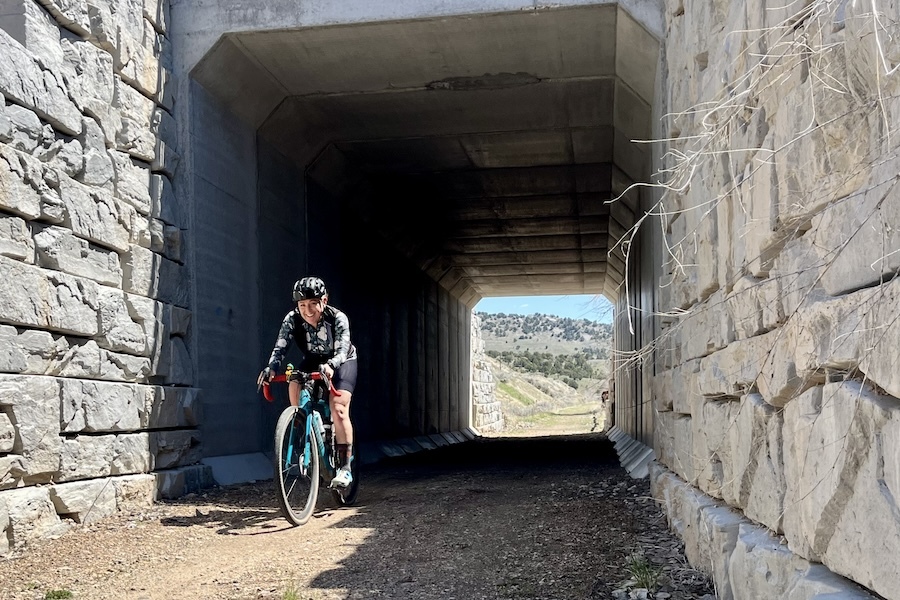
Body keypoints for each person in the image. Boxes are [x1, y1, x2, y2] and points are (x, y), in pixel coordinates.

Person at [258, 276, 358, 487]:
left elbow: (341, 349)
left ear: (324, 300)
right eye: (302, 305)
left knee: (338, 408)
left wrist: (331, 366)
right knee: (294, 381)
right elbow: (280, 348)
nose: (308, 310)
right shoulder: (292, 319)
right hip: (312, 361)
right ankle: (302, 428)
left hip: (342, 362)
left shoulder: (338, 318)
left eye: (313, 303)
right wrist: (271, 368)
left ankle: (346, 469)